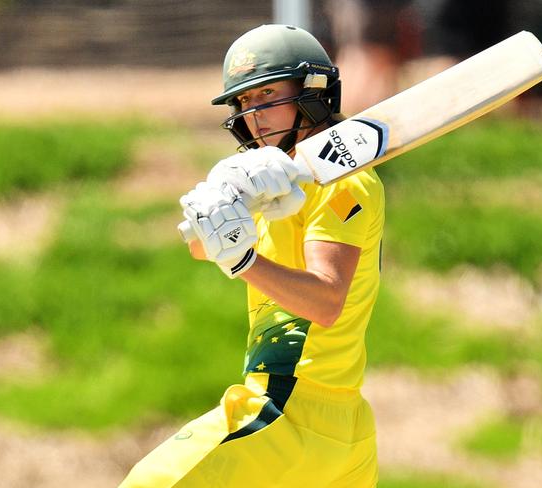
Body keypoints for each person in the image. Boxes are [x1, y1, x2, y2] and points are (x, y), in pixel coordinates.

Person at [119, 24, 385, 487]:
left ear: (312, 93)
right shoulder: (276, 183)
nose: (254, 116)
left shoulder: (343, 182)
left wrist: (244, 261)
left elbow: (326, 301)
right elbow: (202, 246)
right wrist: (223, 201)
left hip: (290, 410)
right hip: (340, 434)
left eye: (266, 95)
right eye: (243, 103)